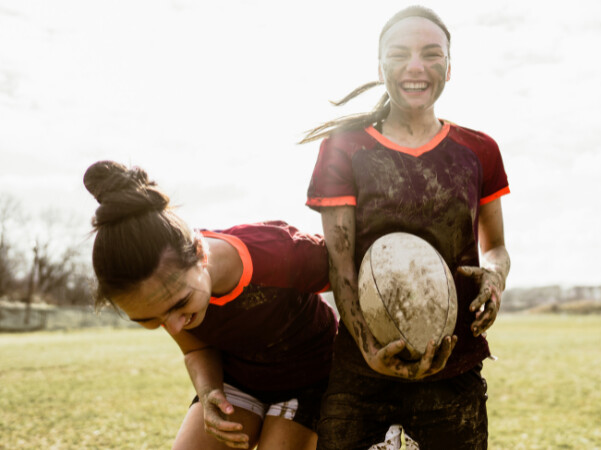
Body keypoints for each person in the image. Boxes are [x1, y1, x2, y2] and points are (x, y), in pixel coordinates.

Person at [302, 6, 510, 449]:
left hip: (454, 366)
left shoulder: (480, 150)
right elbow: (339, 266)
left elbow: (496, 248)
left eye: (431, 54)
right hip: (360, 370)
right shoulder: (345, 148)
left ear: (449, 68)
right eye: (400, 54)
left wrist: (496, 279)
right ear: (380, 68)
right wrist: (371, 353)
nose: (416, 67)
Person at [83, 160, 336, 450]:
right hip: (239, 379)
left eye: (181, 304)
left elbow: (354, 275)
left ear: (201, 254)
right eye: (151, 321)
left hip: (310, 377)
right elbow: (196, 349)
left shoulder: (279, 252)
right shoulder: (163, 296)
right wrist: (208, 392)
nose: (175, 325)